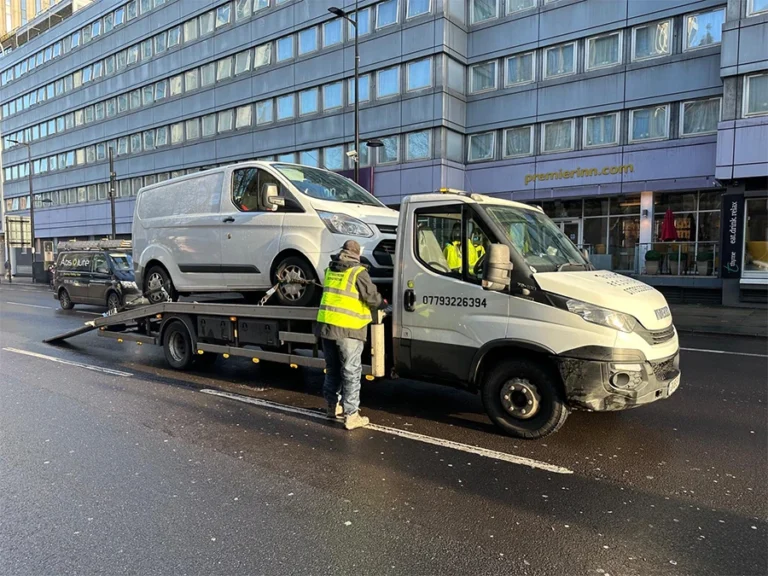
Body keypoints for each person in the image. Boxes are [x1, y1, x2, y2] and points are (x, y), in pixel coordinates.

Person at [317, 240, 383, 430]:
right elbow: (371, 297)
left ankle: (331, 407)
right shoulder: (358, 272)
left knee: (333, 369)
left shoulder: (331, 270)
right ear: (357, 253)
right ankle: (352, 415)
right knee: (351, 371)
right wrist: (383, 304)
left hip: (328, 327)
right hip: (349, 329)